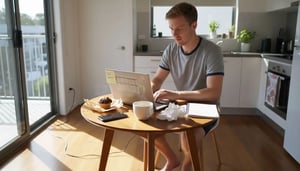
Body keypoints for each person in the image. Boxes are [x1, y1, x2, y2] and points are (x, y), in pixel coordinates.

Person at [151, 2, 224, 171]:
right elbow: (157, 79)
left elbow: (214, 93)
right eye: (171, 29)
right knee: (145, 126)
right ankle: (171, 160)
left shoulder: (211, 51)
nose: (174, 34)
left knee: (187, 135)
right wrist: (146, 88)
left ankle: (186, 167)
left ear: (194, 25)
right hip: (181, 105)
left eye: (179, 28)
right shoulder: (171, 50)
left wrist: (175, 95)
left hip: (207, 108)